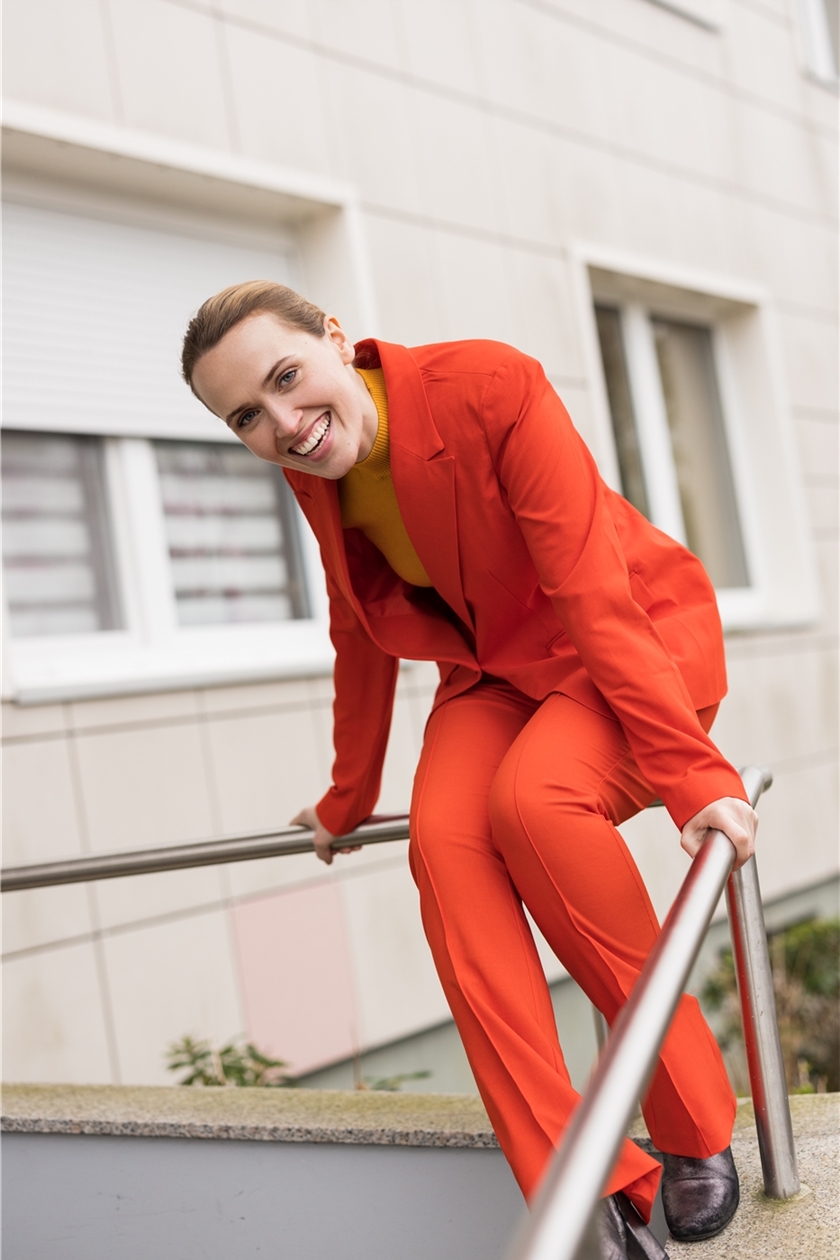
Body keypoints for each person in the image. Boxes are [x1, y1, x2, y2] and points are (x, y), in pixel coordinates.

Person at [182, 281, 757, 1260]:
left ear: (335, 337)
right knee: (445, 846)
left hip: (631, 642)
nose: (281, 422)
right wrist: (346, 798)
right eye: (246, 417)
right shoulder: (313, 464)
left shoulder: (490, 386)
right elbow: (356, 626)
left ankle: (694, 1121)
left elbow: (591, 591)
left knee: (534, 803)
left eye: (285, 377)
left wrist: (696, 779)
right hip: (495, 670)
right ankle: (576, 1183)